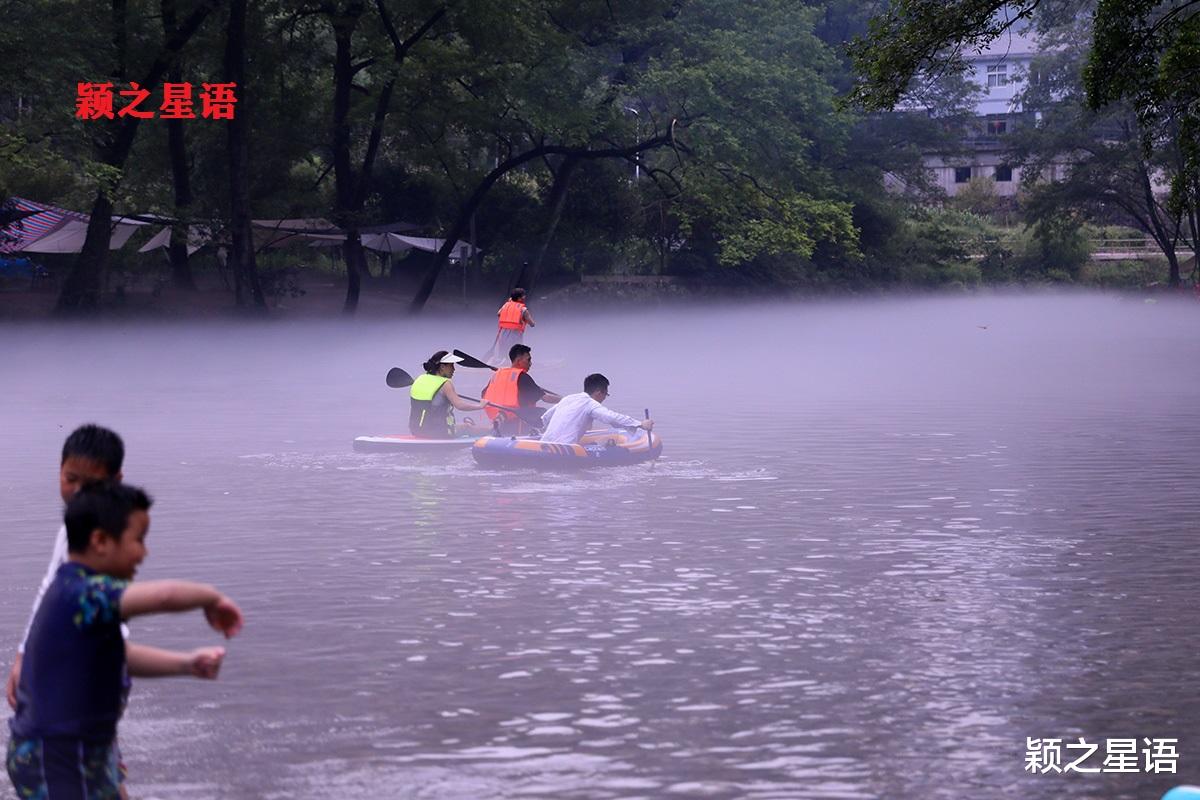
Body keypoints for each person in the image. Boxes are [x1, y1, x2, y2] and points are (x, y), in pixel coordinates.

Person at [7, 481, 243, 799]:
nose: (144, 553)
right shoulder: (81, 594)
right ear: (101, 541)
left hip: (83, 753)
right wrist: (212, 598)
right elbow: (163, 596)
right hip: (56, 757)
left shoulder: (76, 592)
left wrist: (187, 664)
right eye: (139, 540)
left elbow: (119, 655)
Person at [539, 373, 653, 444]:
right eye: (606, 394)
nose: (604, 398)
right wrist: (640, 424)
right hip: (565, 448)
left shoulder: (568, 398)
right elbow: (611, 417)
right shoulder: (590, 403)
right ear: (599, 392)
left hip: (544, 443)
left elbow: (545, 418)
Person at [481, 344, 562, 436]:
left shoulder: (497, 375)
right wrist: (564, 399)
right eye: (528, 360)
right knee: (545, 413)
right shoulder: (522, 377)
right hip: (518, 424)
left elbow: (484, 394)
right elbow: (545, 398)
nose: (530, 363)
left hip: (499, 419)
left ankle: (496, 429)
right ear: (519, 360)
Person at [410, 350, 490, 438]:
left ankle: (467, 427)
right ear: (442, 367)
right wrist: (480, 406)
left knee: (465, 426)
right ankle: (495, 432)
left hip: (417, 430)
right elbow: (460, 405)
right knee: (472, 429)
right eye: (451, 365)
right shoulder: (446, 384)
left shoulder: (419, 379)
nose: (454, 369)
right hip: (440, 433)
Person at [484, 288, 535, 365]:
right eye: (523, 296)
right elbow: (532, 324)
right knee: (515, 352)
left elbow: (498, 314)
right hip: (515, 335)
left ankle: (499, 363)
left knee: (503, 352)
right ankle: (510, 365)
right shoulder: (523, 309)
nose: (525, 297)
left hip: (503, 333)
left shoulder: (506, 305)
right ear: (519, 298)